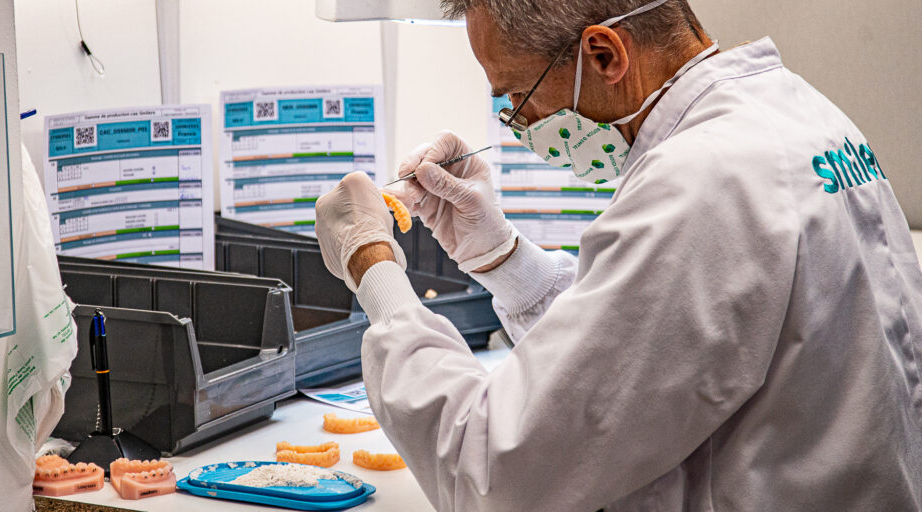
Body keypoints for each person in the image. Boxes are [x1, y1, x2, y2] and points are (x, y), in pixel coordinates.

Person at [314, 0, 922, 510]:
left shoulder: (699, 181)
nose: (518, 122)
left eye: (517, 97)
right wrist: (499, 254)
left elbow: (494, 468)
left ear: (604, 54)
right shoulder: (794, 111)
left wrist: (372, 264)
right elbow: (658, 345)